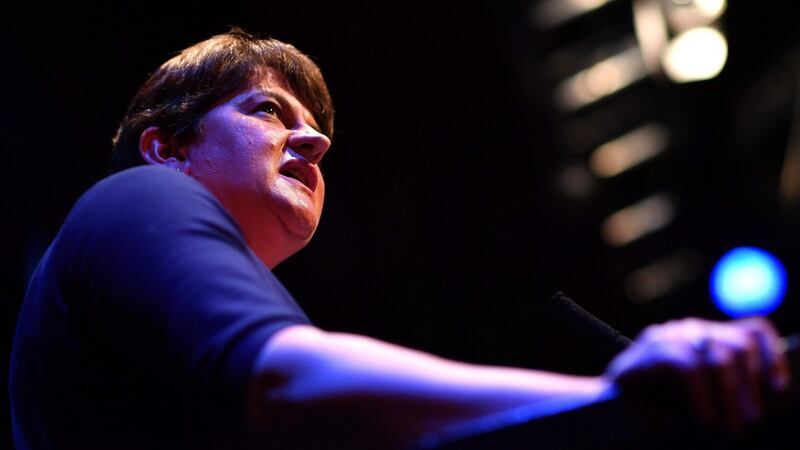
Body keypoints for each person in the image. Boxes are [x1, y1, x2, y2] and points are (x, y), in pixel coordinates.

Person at [8, 28, 792, 450]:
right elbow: (297, 386)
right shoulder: (137, 195)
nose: (312, 144)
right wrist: (615, 400)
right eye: (268, 112)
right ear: (167, 146)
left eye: (318, 130)